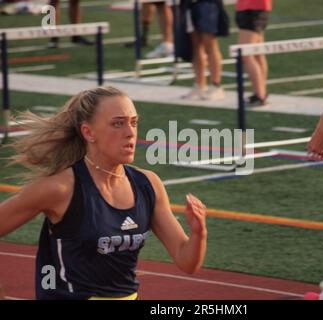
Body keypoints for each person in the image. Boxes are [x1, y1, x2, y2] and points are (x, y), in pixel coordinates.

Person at [0, 86, 207, 299]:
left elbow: (187, 261)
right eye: (118, 123)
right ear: (88, 132)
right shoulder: (60, 189)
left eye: (133, 122)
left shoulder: (148, 185)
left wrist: (198, 233)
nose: (130, 132)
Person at [179, 0, 229, 101]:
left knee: (210, 44)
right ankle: (199, 85)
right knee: (195, 46)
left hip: (207, 3)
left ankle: (216, 85)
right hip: (190, 4)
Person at [235, 0, 272, 107]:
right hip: (253, 8)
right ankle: (261, 93)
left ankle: (260, 95)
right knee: (257, 53)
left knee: (247, 54)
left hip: (252, 8)